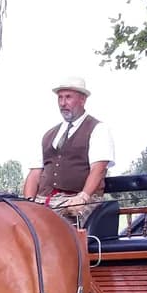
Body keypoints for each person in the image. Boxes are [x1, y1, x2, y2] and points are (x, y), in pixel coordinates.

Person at [22, 76, 115, 226]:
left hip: (80, 200)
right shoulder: (48, 134)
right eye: (60, 98)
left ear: (82, 99)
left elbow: (98, 169)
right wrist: (27, 203)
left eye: (68, 97)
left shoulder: (98, 129)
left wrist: (83, 197)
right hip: (43, 201)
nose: (63, 103)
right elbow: (34, 173)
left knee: (54, 228)